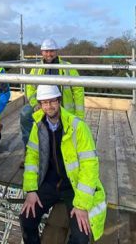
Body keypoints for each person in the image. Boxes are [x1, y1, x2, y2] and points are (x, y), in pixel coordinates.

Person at [20, 85, 106, 244]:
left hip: (73, 186)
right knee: (26, 218)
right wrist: (31, 190)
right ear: (39, 104)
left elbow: (89, 166)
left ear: (59, 101)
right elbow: (32, 159)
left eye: (52, 101)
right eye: (44, 102)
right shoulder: (38, 126)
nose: (48, 106)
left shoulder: (77, 127)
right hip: (50, 183)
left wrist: (81, 205)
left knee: (81, 237)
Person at [20, 38, 85, 147]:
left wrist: (79, 116)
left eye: (51, 51)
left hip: (62, 107)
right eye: (46, 51)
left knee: (64, 137)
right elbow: (29, 87)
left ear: (56, 51)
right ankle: (29, 149)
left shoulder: (67, 67)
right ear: (42, 52)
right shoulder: (36, 68)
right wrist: (35, 104)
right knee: (25, 114)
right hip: (42, 106)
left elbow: (78, 90)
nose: (49, 54)